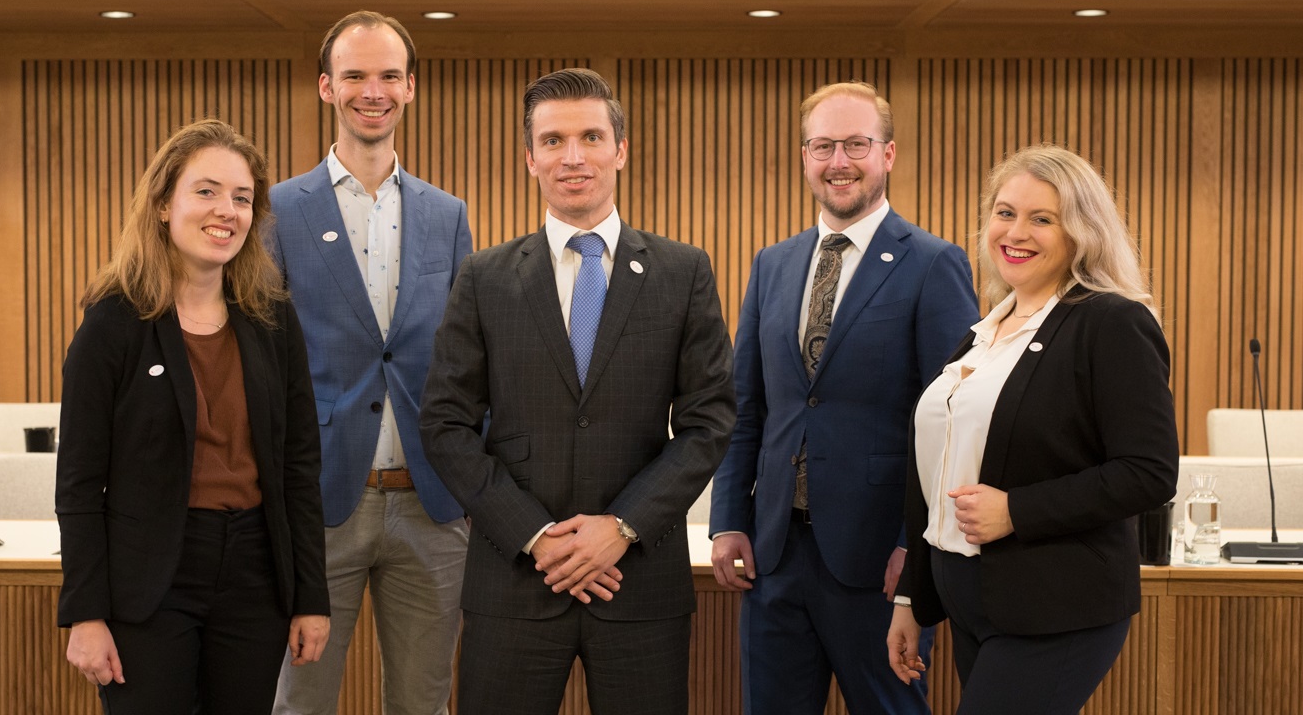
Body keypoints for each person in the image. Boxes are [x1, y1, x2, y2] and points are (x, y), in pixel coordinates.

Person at [418, 67, 736, 715]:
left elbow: (709, 423)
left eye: (591, 136)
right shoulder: (485, 277)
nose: (573, 157)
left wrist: (621, 526)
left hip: (639, 583)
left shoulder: (683, 272)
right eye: (554, 140)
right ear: (529, 157)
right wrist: (537, 535)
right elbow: (445, 425)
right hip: (515, 582)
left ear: (621, 149)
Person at [708, 80, 979, 714]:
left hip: (879, 561)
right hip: (774, 555)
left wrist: (918, 550)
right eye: (822, 145)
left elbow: (952, 424)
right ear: (804, 156)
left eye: (856, 144)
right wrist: (728, 520)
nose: (839, 162)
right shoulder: (773, 264)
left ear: (888, 154)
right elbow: (748, 407)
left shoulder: (933, 264)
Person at [886, 144, 1179, 714]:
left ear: (1081, 233)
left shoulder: (1111, 321)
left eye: (1042, 219)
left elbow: (1149, 474)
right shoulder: (984, 332)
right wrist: (910, 599)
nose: (1015, 232)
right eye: (1005, 212)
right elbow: (934, 472)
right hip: (971, 599)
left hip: (1056, 605)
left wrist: (1016, 510)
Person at [56, 119, 331, 714]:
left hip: (255, 579)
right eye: (205, 191)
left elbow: (298, 469)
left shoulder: (272, 319)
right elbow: (78, 483)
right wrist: (84, 613)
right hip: (149, 582)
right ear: (162, 204)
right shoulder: (113, 323)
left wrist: (311, 596)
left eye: (241, 198)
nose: (225, 211)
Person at [269, 11, 473, 715]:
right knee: (302, 701)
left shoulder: (448, 216)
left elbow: (465, 362)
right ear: (326, 86)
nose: (372, 89)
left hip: (431, 506)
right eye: (355, 74)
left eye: (389, 75)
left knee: (424, 703)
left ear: (411, 88)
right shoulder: (277, 211)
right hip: (318, 507)